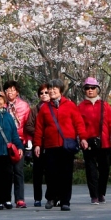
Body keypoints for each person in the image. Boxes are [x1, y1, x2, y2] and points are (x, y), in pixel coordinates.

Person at [33, 78, 88, 211]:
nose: (51, 91)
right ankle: (51, 198)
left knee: (66, 174)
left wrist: (83, 138)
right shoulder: (45, 108)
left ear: (61, 91)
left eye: (54, 89)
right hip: (51, 146)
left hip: (66, 145)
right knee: (51, 173)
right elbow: (39, 128)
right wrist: (37, 144)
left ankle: (65, 201)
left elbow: (79, 123)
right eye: (49, 89)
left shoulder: (70, 105)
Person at [77, 77, 111, 205]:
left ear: (97, 90)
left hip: (104, 143)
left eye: (92, 88)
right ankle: (94, 195)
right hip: (88, 143)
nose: (90, 91)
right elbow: (79, 125)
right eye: (87, 88)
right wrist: (83, 138)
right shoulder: (80, 107)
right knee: (91, 170)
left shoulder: (105, 106)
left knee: (104, 168)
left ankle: (101, 192)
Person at [3, 80, 31, 208]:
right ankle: (6, 199)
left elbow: (28, 124)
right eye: (8, 90)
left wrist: (28, 139)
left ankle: (20, 199)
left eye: (13, 90)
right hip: (4, 141)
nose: (10, 92)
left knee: (18, 171)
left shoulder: (24, 106)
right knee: (7, 171)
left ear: (17, 92)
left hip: (19, 140)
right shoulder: (1, 105)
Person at [24, 83, 50, 207]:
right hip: (38, 144)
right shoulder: (34, 110)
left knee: (52, 172)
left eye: (46, 92)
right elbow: (28, 125)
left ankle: (52, 197)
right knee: (38, 173)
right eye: (41, 93)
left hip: (52, 144)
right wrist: (39, 133)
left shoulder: (55, 108)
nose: (44, 95)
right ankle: (37, 198)